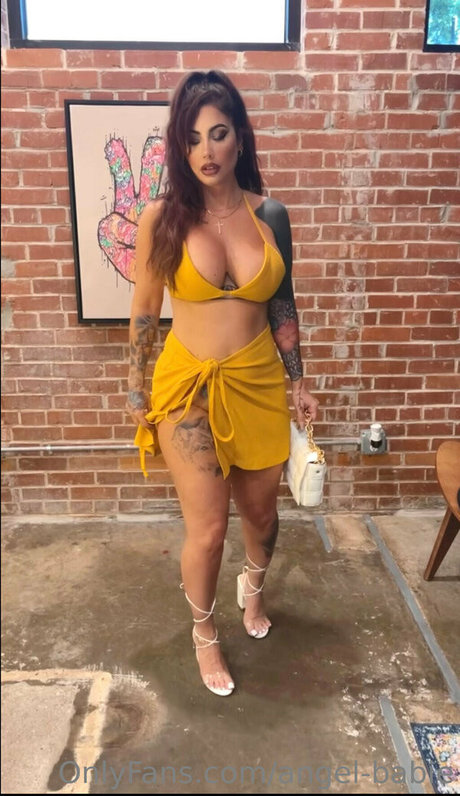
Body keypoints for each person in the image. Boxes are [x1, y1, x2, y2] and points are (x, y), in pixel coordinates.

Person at [126, 70, 319, 697]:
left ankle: (252, 589)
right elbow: (145, 309)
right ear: (179, 148)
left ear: (239, 137)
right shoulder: (162, 218)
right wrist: (135, 389)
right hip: (187, 389)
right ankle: (204, 632)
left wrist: (299, 382)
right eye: (192, 139)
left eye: (217, 134)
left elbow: (282, 305)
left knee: (262, 515)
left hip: (258, 382)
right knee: (208, 531)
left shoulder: (271, 216)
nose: (206, 151)